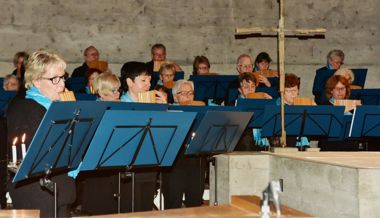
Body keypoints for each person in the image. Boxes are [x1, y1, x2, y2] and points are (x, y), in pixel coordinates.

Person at [6, 50, 75, 217]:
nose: (62, 85)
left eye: (63, 77)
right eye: (54, 79)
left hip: (60, 188)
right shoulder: (24, 108)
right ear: (36, 81)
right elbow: (33, 155)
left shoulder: (57, 106)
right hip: (37, 192)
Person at [161, 79, 206, 209]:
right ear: (175, 97)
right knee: (173, 202)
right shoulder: (168, 112)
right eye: (183, 93)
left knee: (195, 202)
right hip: (175, 161)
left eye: (190, 93)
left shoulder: (201, 112)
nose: (187, 96)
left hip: (196, 159)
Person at [271, 73, 310, 149]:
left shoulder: (303, 105)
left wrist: (314, 109)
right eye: (288, 91)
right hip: (282, 143)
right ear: (281, 92)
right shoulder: (276, 106)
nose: (292, 94)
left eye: (294, 90)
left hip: (300, 143)